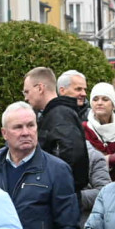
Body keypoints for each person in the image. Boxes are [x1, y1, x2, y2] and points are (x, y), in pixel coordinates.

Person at [24, 66, 89, 194]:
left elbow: (73, 157)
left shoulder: (60, 115)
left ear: (40, 88)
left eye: (27, 91)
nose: (26, 97)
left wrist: (53, 189)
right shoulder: (55, 115)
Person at [83, 83, 115, 178]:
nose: (99, 103)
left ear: (114, 104)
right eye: (95, 99)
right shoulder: (84, 129)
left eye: (105, 99)